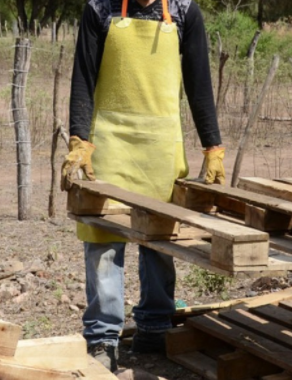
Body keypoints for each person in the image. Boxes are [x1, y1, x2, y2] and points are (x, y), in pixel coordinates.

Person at [62, 0, 224, 371]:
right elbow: (83, 79)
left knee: (159, 240)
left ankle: (154, 325)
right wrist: (78, 140)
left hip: (160, 147)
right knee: (102, 241)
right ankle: (103, 337)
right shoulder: (100, 11)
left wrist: (213, 146)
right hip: (108, 143)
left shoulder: (185, 12)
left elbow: (199, 84)